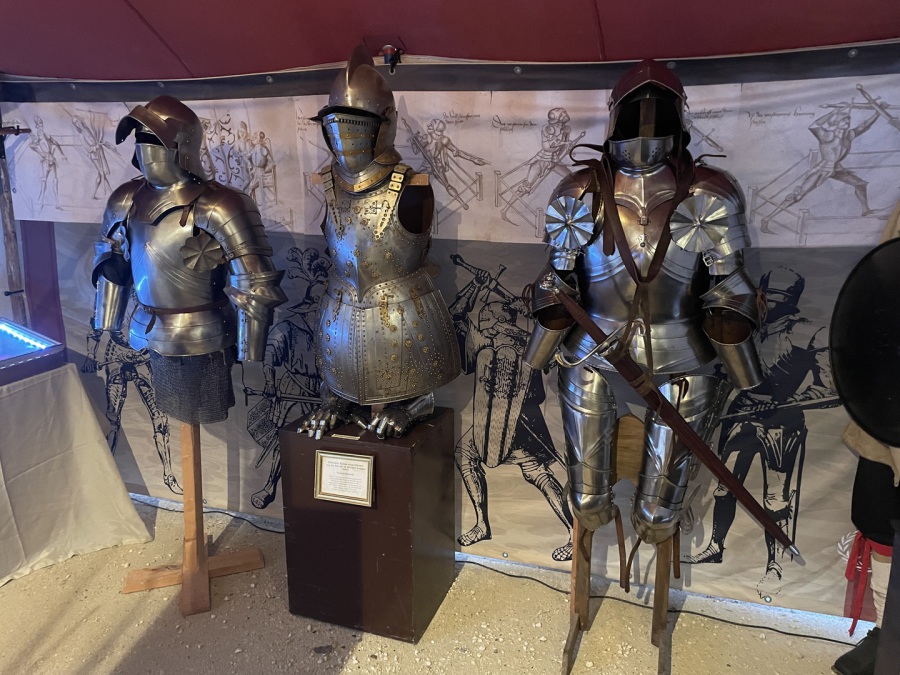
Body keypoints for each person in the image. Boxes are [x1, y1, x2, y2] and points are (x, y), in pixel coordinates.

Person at [524, 59, 764, 556]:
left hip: (681, 351)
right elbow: (557, 285)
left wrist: (745, 373)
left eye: (657, 110)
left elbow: (729, 291)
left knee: (658, 519)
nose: (646, 122)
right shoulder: (581, 189)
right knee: (587, 503)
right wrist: (539, 354)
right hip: (592, 347)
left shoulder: (708, 191)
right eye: (636, 111)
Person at [297, 46, 460, 440]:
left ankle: (412, 403)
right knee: (339, 396)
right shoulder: (328, 184)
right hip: (340, 317)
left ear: (384, 125)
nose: (345, 136)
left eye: (355, 124)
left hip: (405, 317)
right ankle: (338, 400)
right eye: (337, 125)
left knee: (411, 399)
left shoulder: (412, 184)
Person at [90, 96, 286, 425]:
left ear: (182, 146)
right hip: (148, 329)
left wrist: (250, 352)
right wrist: (106, 323)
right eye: (140, 138)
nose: (144, 147)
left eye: (154, 139)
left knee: (198, 410)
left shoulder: (221, 204)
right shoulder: (125, 199)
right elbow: (112, 264)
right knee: (177, 410)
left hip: (203, 336)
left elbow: (255, 285)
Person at [683, 267, 838, 599]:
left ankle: (775, 566)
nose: (770, 304)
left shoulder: (809, 332)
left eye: (777, 298)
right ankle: (715, 547)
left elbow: (830, 389)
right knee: (724, 489)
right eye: (766, 297)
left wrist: (784, 402)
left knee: (775, 499)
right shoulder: (746, 324)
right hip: (741, 416)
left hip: (782, 423)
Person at [450, 261, 572, 561]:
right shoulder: (486, 341)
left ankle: (572, 530)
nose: (485, 319)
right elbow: (454, 317)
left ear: (500, 317)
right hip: (486, 419)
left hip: (522, 419)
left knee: (537, 473)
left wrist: (529, 318)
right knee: (465, 454)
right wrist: (476, 285)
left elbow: (558, 356)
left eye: (489, 315)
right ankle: (482, 525)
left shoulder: (530, 339)